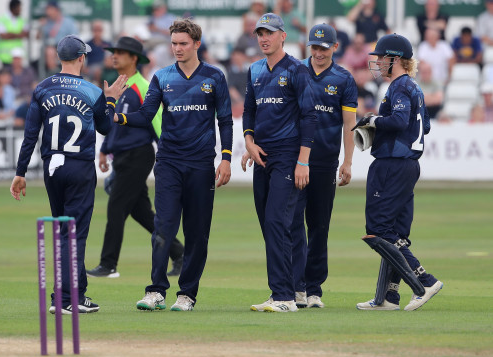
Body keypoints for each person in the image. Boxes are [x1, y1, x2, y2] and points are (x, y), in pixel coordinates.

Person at [114, 19, 233, 312]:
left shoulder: (214, 77)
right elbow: (145, 115)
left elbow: (225, 120)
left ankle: (187, 294)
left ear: (196, 44)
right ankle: (155, 291)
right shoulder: (162, 77)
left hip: (202, 165)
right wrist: (117, 116)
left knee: (197, 233)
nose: (177, 49)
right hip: (168, 163)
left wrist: (227, 158)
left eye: (182, 43)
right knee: (163, 229)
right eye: (174, 43)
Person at [10, 35, 129, 314]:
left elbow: (30, 135)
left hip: (51, 168)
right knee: (74, 235)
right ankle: (63, 299)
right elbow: (105, 128)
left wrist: (20, 172)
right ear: (81, 58)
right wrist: (110, 101)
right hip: (79, 167)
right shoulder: (90, 91)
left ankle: (77, 294)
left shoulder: (42, 88)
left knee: (64, 232)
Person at [355, 33, 443, 311]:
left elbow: (400, 120)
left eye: (382, 57)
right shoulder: (414, 87)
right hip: (408, 164)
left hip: (392, 164)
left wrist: (373, 120)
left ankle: (424, 282)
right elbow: (423, 126)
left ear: (396, 59)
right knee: (395, 233)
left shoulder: (399, 87)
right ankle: (388, 297)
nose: (378, 62)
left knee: (378, 230)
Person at [86, 36, 185, 279]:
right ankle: (180, 253)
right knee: (141, 213)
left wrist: (168, 154)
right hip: (122, 156)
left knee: (116, 208)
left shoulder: (143, 87)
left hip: (138, 156)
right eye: (114, 52)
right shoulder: (115, 87)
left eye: (120, 52)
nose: (114, 55)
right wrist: (104, 149)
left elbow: (158, 123)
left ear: (134, 59)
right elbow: (112, 123)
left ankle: (108, 264)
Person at [242, 13, 317, 313]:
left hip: (288, 155)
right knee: (269, 224)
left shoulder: (297, 70)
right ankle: (281, 293)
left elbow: (309, 117)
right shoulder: (255, 69)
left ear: (282, 36)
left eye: (269, 33)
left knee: (277, 220)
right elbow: (249, 113)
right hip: (262, 155)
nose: (264, 38)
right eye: (260, 33)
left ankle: (286, 296)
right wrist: (249, 142)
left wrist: (303, 161)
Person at [291, 24, 357, 309]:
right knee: (292, 223)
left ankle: (314, 288)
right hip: (294, 160)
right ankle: (296, 286)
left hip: (325, 161)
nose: (318, 53)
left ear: (335, 47)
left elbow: (349, 124)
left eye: (323, 47)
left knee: (318, 225)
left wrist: (348, 161)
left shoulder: (344, 78)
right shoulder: (295, 71)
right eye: (314, 47)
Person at [0, 0, 29, 65]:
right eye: (19, 8)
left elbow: (26, 34)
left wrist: (11, 34)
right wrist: (18, 34)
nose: (20, 10)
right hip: (3, 57)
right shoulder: (2, 20)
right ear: (13, 8)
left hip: (17, 56)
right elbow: (3, 36)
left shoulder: (21, 20)